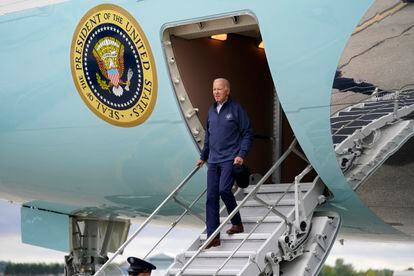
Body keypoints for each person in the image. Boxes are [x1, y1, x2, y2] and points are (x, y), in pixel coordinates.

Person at [196, 78, 253, 249]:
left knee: (223, 190)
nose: (216, 92)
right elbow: (209, 136)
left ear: (227, 91)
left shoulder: (236, 109)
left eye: (219, 89)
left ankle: (237, 223)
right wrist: (203, 156)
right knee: (211, 197)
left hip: (230, 159)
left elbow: (247, 133)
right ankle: (213, 236)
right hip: (213, 160)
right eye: (214, 89)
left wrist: (241, 154)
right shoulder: (211, 111)